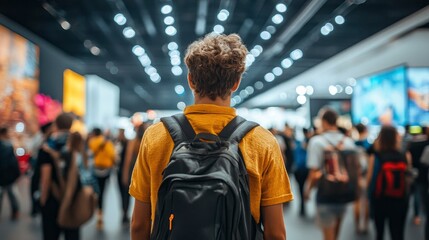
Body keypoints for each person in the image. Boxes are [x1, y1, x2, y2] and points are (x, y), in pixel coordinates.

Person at [129, 33, 293, 240]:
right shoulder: (262, 140)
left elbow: (139, 224)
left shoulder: (156, 136)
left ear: (190, 80)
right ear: (236, 83)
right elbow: (276, 233)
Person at [304, 108, 357, 240]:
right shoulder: (349, 142)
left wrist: (308, 190)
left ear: (324, 122)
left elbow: (313, 171)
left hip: (325, 193)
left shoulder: (317, 142)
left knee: (328, 235)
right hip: (344, 192)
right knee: (337, 233)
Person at [367, 126, 411, 240]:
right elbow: (408, 178)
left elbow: (370, 179)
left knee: (379, 233)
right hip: (400, 199)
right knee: (397, 233)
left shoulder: (375, 155)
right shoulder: (404, 155)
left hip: (380, 199)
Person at [39, 113, 75, 240]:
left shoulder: (48, 145)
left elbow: (46, 177)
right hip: (73, 196)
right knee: (72, 234)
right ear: (71, 125)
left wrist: (43, 198)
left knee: (51, 234)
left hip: (53, 196)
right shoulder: (78, 143)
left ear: (56, 124)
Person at [88, 127, 116, 230]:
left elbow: (90, 153)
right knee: (103, 192)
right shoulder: (108, 142)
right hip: (106, 171)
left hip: (95, 169)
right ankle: (101, 213)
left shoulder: (92, 141)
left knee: (96, 191)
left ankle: (97, 212)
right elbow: (112, 154)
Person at [0, 126, 20, 220]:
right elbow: (13, 162)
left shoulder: (8, 146)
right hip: (8, 176)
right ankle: (15, 211)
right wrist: (16, 174)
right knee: (12, 194)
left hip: (3, 176)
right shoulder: (8, 147)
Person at [353, 123, 370, 234]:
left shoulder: (353, 144)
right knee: (366, 201)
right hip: (366, 175)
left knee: (357, 201)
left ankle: (357, 225)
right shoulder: (368, 145)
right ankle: (365, 225)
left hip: (355, 175)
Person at [293, 128, 312, 217]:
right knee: (303, 188)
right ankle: (303, 206)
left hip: (300, 169)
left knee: (301, 189)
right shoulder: (307, 143)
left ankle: (302, 206)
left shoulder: (298, 143)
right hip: (304, 169)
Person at [115, 128, 130, 224]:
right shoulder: (117, 143)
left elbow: (127, 160)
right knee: (121, 193)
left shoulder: (128, 144)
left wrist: (126, 174)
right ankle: (123, 212)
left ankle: (125, 213)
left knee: (126, 194)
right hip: (118, 172)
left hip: (125, 173)